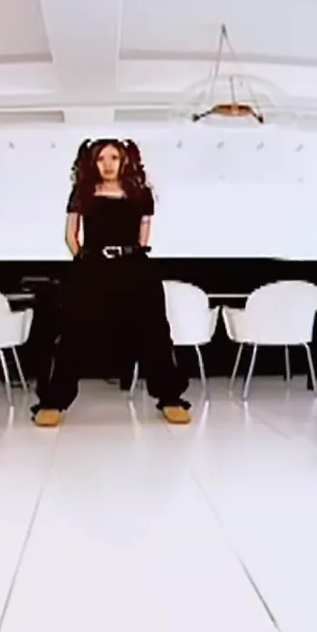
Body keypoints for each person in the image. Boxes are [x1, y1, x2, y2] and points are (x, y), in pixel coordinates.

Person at [31, 138, 192, 427]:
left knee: (154, 332)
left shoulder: (141, 194)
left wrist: (128, 258)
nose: (107, 164)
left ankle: (170, 398)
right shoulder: (83, 192)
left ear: (124, 161)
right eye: (101, 158)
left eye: (114, 158)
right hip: (92, 267)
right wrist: (86, 262)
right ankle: (54, 400)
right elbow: (70, 236)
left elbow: (143, 237)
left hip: (134, 266)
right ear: (93, 163)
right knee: (72, 333)